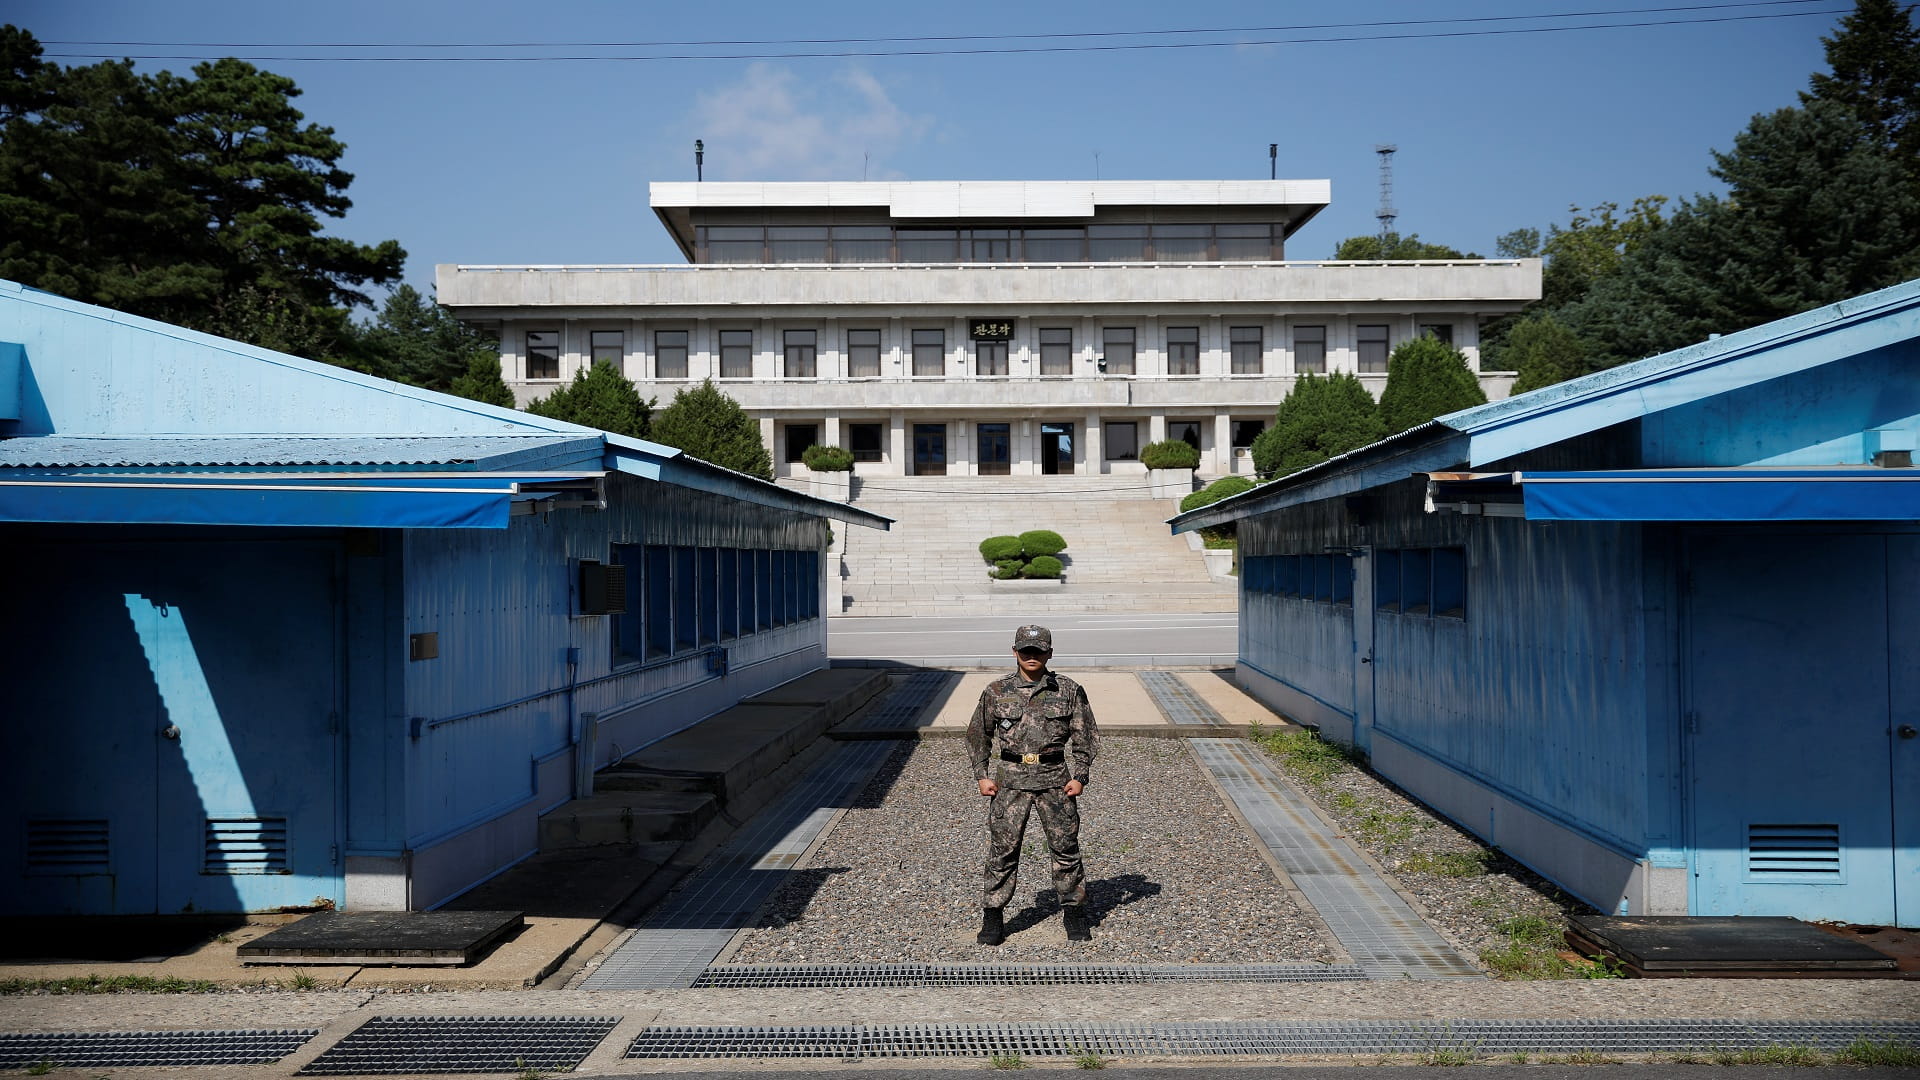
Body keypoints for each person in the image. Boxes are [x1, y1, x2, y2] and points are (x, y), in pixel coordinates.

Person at [965, 623, 1099, 945]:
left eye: (1038, 651)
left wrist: (1080, 775)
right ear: (1015, 652)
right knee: (1003, 850)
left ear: (1049, 654)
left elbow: (1086, 735)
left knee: (1065, 849)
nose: (1031, 656)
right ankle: (993, 915)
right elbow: (977, 735)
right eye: (1025, 650)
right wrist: (982, 775)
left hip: (1055, 781)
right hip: (1010, 782)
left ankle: (1074, 912)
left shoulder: (1068, 690)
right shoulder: (996, 691)